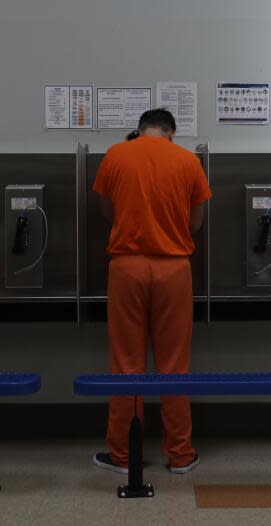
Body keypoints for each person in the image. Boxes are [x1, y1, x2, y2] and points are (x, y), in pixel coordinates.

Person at [92, 108, 211, 475]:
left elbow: (106, 210)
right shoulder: (188, 161)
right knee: (174, 363)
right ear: (171, 133)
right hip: (174, 268)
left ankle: (124, 454)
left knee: (126, 363)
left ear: (140, 130)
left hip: (126, 267)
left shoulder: (116, 155)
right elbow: (195, 223)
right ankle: (180, 454)